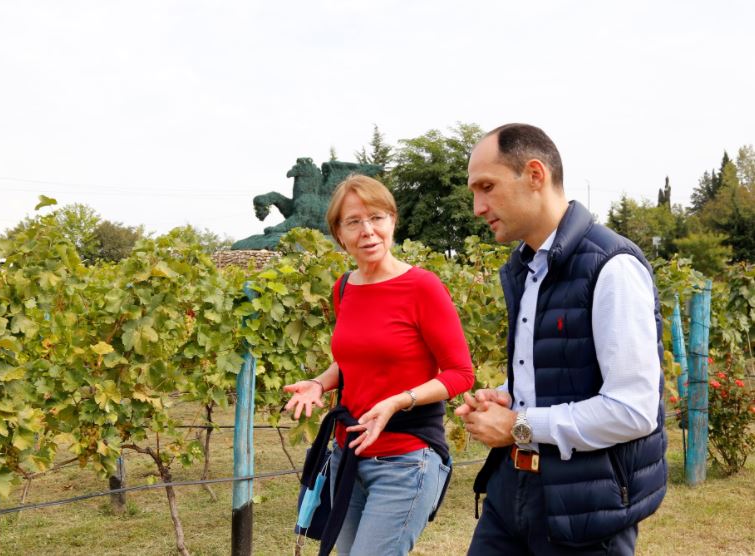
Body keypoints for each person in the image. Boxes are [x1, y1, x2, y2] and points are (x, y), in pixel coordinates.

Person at [455, 123, 667, 555]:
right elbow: (556, 371)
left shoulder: (612, 266)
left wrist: (517, 425)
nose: (477, 208)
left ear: (535, 175)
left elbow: (633, 410)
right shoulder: (527, 268)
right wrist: (508, 395)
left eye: (487, 187)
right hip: (511, 493)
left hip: (584, 510)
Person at [284, 174, 475, 556]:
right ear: (339, 234)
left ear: (392, 221)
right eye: (354, 221)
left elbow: (461, 374)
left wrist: (398, 401)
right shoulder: (344, 288)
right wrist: (320, 383)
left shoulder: (422, 287)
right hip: (347, 456)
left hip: (405, 459)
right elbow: (353, 359)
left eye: (376, 217)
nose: (367, 231)